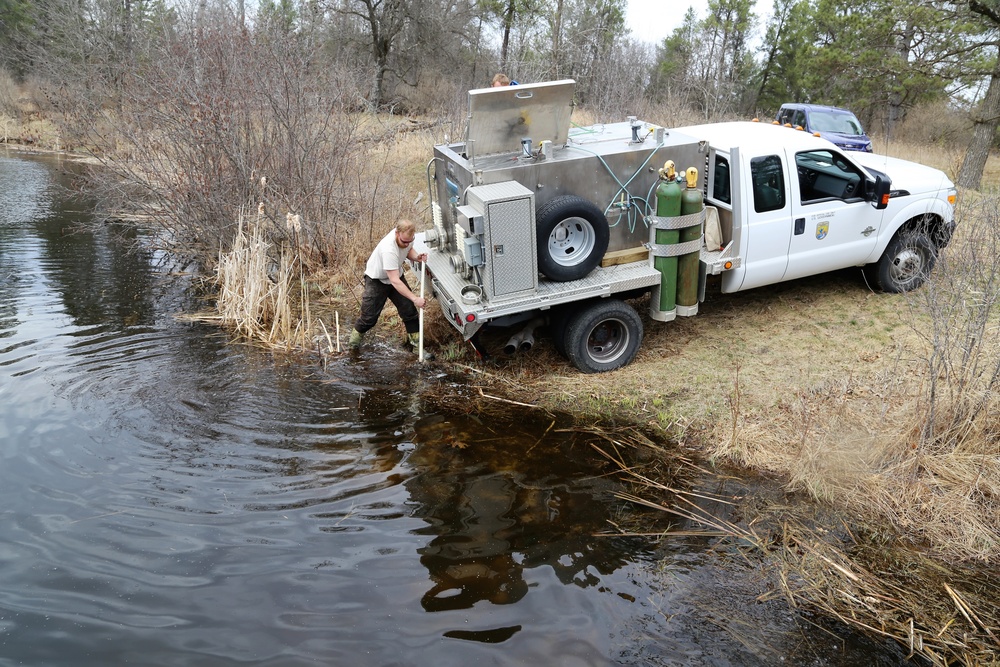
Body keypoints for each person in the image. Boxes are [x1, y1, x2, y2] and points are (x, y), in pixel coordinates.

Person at [349, 219, 431, 357]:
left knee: (410, 313)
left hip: (395, 276)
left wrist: (416, 257)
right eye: (404, 241)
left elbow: (407, 250)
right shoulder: (388, 249)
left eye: (409, 241)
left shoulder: (408, 237)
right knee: (369, 318)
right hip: (377, 280)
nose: (406, 243)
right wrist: (415, 298)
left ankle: (417, 348)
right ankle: (353, 347)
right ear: (396, 233)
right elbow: (395, 281)